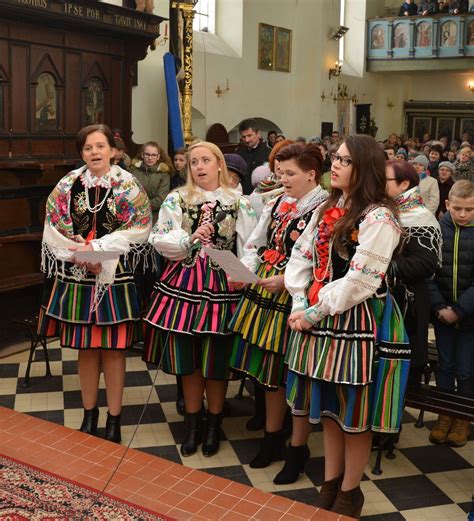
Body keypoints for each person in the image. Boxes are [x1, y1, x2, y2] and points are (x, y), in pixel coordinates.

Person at [285, 134, 410, 519]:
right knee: (329, 410)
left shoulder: (379, 216)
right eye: (335, 158)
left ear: (364, 168)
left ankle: (350, 491)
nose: (334, 165)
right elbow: (301, 255)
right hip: (322, 317)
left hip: (359, 320)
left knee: (355, 414)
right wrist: (299, 299)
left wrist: (314, 312)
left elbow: (362, 280)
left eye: (344, 160)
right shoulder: (329, 207)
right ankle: (330, 481)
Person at [37, 124, 152, 443]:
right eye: (88, 148)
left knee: (113, 351)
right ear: (81, 153)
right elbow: (53, 221)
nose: (95, 152)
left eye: (100, 146)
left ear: (113, 150)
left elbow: (140, 226)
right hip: (77, 275)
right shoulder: (69, 183)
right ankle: (90, 415)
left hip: (114, 276)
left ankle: (114, 418)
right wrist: (74, 247)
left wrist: (98, 249)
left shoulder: (128, 185)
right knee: (86, 351)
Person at [142, 141, 257, 458]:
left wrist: (242, 274)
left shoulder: (239, 202)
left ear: (220, 164)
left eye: (206, 160)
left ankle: (213, 426)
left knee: (216, 361)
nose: (199, 166)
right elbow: (160, 237)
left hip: (223, 280)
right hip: (185, 279)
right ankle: (193, 424)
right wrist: (188, 238)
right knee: (189, 361)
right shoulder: (176, 198)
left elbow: (249, 246)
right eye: (194, 162)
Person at [228, 143, 328, 482]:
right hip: (265, 291)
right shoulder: (278, 202)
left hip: (297, 297)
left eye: (289, 173)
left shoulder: (324, 208)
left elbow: (320, 260)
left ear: (311, 174)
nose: (282, 178)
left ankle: (295, 445)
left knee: (291, 376)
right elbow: (257, 244)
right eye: (279, 172)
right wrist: (244, 271)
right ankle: (272, 436)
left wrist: (285, 280)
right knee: (266, 373)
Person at [385, 161, 441, 388]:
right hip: (385, 300)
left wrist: (381, 266)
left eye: (384, 180)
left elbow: (424, 263)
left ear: (404, 183)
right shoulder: (386, 211)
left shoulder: (420, 217)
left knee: (401, 377)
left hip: (407, 303)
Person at [427, 180, 474, 447]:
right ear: (447, 205)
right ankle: (444, 415)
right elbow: (428, 273)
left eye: (469, 209)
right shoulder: (436, 230)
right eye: (458, 208)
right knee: (444, 367)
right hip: (442, 315)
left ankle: (462, 418)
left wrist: (459, 310)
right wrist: (440, 307)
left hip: (469, 318)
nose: (463, 214)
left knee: (466, 370)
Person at [130, 141, 171, 223]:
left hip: (155, 217)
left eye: (153, 155)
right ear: (142, 155)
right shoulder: (133, 171)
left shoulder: (163, 175)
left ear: (158, 157)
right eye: (147, 154)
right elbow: (129, 193)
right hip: (133, 215)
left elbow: (161, 199)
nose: (150, 158)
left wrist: (141, 206)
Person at [236, 119, 270, 195]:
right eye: (243, 137)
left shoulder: (269, 153)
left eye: (249, 135)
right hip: (242, 196)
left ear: (258, 134)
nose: (247, 140)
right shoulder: (239, 154)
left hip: (262, 196)